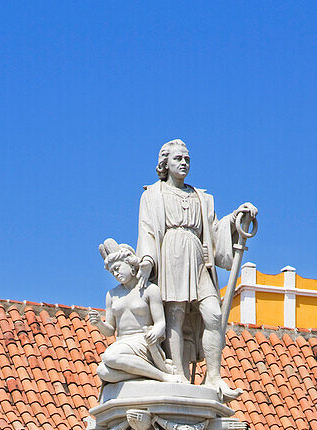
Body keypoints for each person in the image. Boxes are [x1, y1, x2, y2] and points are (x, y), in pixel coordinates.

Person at [137, 139, 257, 400]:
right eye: (178, 159)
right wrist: (146, 260)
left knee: (214, 316)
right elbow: (147, 230)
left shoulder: (202, 198)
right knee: (175, 315)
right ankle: (177, 372)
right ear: (165, 163)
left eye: (187, 159)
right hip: (170, 254)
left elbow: (214, 232)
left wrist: (236, 218)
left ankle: (213, 376)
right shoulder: (152, 195)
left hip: (199, 258)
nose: (183, 163)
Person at [88, 239, 181, 386]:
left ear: (130, 264)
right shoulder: (112, 294)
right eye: (112, 271)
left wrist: (154, 334)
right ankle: (146, 374)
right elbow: (110, 330)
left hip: (142, 341)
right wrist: (99, 323)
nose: (116, 273)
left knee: (110, 357)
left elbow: (160, 322)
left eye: (118, 268)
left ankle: (162, 376)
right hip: (122, 343)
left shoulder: (149, 289)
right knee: (103, 372)